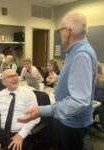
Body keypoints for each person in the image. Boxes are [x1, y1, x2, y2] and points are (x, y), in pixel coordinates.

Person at [18, 12, 97, 150]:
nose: (60, 35)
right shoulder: (76, 51)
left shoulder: (81, 55)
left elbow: (79, 101)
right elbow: (79, 79)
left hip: (73, 124)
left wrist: (44, 110)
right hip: (69, 120)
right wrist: (59, 78)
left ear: (67, 31)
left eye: (60, 31)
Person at [0, 69, 40, 150]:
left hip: (20, 131)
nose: (14, 78)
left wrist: (21, 135)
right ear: (3, 82)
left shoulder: (29, 94)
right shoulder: (0, 95)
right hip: (2, 130)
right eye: (10, 77)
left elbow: (35, 117)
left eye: (15, 75)